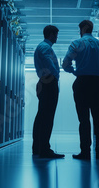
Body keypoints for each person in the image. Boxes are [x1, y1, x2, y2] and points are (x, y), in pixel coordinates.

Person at [62, 20, 99, 160]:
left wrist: (73, 71)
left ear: (82, 29)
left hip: (82, 83)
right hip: (96, 83)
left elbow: (66, 63)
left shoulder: (77, 44)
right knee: (98, 119)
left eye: (80, 29)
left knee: (84, 119)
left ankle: (85, 152)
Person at [32, 25, 64, 159]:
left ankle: (38, 148)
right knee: (47, 117)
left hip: (45, 82)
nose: (57, 37)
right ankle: (45, 149)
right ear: (50, 34)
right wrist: (56, 75)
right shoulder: (45, 47)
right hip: (48, 82)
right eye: (56, 34)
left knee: (42, 116)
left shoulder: (43, 46)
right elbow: (47, 61)